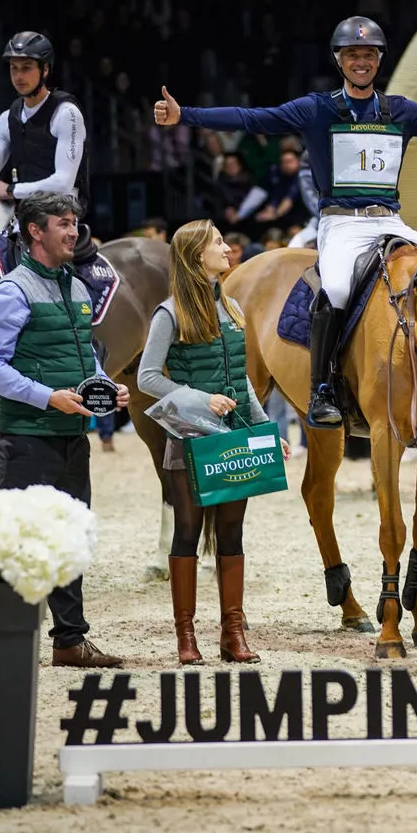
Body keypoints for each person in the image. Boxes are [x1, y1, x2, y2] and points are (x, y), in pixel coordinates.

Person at [154, 16, 417, 430]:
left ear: (378, 60)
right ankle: (323, 390)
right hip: (342, 222)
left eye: (368, 54)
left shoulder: (399, 110)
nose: (361, 62)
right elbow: (252, 118)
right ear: (339, 60)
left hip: (391, 222)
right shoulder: (316, 108)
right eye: (352, 55)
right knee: (336, 288)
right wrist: (185, 114)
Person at [0, 191, 124, 668]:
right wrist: (46, 397)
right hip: (27, 436)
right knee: (19, 541)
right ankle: (1, 643)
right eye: (62, 222)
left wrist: (104, 387)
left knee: (71, 539)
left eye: (75, 221)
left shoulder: (77, 286)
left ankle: (69, 641)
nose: (73, 230)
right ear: (35, 231)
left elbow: (85, 360)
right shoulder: (12, 290)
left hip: (70, 437)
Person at [137, 219, 291, 666]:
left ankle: (233, 633)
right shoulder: (169, 313)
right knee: (187, 532)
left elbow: (239, 377)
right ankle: (186, 636)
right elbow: (148, 377)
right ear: (194, 256)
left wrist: (265, 430)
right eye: (218, 243)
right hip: (188, 437)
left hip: (236, 436)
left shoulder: (231, 305)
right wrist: (202, 399)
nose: (228, 249)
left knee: (231, 532)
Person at [0, 31, 93, 261]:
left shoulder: (66, 113)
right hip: (24, 217)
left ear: (45, 70)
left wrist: (11, 191)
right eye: (14, 68)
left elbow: (63, 182)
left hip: (62, 213)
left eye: (26, 68)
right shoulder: (8, 119)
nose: (18, 75)